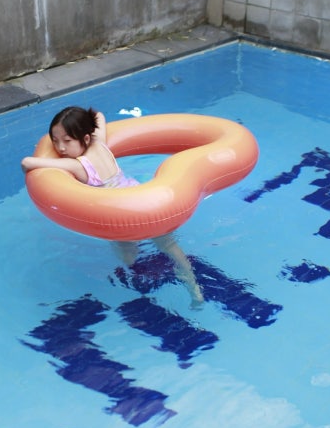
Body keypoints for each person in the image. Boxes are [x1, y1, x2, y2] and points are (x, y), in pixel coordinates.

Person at [21, 106, 204, 306]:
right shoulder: (100, 142)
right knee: (169, 245)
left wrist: (30, 161)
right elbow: (99, 115)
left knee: (126, 250)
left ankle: (138, 278)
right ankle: (194, 286)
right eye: (55, 141)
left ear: (85, 138)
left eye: (67, 141)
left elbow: (28, 163)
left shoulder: (79, 165)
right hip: (143, 201)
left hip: (120, 212)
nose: (60, 148)